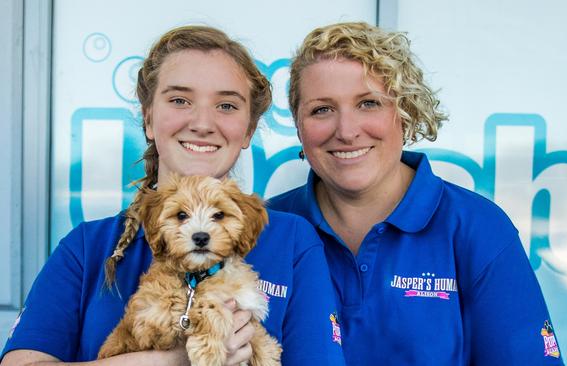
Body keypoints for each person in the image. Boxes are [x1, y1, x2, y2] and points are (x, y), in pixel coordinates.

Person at [1, 25, 345, 366]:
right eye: (180, 100)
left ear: (248, 130)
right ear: (149, 118)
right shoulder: (87, 246)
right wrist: (176, 360)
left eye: (226, 106)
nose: (202, 122)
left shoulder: (292, 240)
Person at [269, 22, 565, 365]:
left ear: (405, 112)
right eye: (322, 109)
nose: (347, 131)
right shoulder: (264, 226)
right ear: (298, 124)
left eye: (368, 103)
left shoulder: (475, 227)